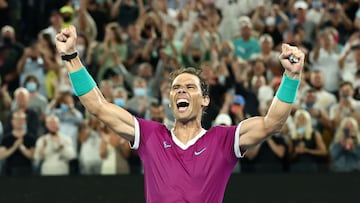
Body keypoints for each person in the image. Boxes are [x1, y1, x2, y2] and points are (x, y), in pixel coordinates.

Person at [55, 25, 305, 202]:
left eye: (189, 87)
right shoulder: (151, 135)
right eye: (176, 88)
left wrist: (291, 77)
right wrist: (70, 56)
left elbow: (272, 123)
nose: (181, 91)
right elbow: (98, 106)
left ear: (205, 100)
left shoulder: (223, 140)